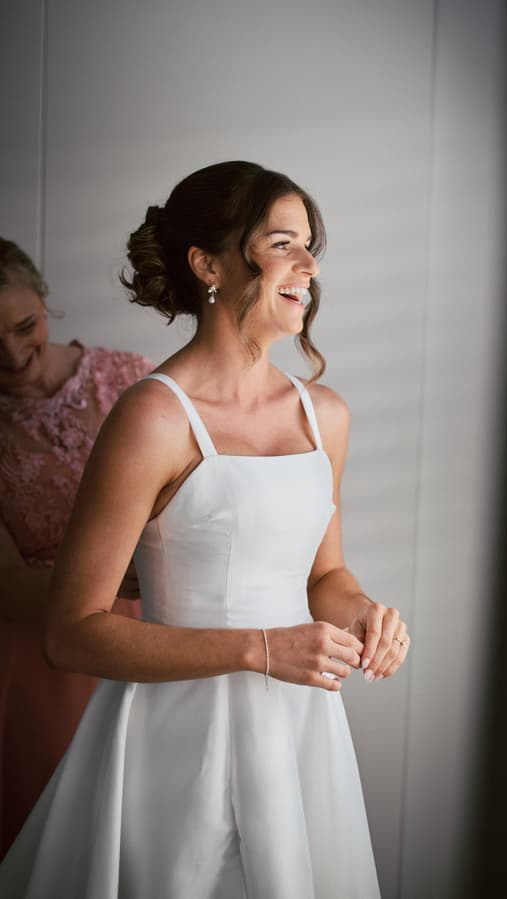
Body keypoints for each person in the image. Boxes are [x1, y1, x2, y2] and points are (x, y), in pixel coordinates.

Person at [0, 162, 410, 898]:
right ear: (208, 263)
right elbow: (70, 630)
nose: (310, 265)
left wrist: (367, 616)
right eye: (284, 242)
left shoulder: (328, 416)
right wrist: (260, 647)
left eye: (310, 245)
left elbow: (323, 576)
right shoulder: (151, 416)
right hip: (176, 743)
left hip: (299, 733)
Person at [0, 237, 154, 858]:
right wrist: (121, 579)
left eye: (24, 326)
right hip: (37, 658)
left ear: (44, 299)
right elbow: (4, 583)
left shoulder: (133, 380)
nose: (11, 356)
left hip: (152, 635)